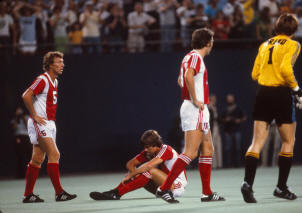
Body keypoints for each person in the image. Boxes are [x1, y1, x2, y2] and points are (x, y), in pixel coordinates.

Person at [241, 13, 302, 203]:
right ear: (294, 29)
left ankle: (247, 184)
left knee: (256, 142)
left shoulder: (265, 44)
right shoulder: (294, 45)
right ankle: (281, 187)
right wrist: (297, 90)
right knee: (288, 141)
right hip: (280, 94)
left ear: (277, 27)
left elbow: (255, 74)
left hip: (262, 93)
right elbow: (286, 69)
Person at [157, 28, 225, 203]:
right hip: (195, 109)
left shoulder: (188, 56)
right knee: (190, 152)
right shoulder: (195, 57)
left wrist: (193, 95)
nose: (213, 43)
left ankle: (207, 193)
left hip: (197, 109)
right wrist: (195, 99)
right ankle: (164, 188)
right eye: (212, 40)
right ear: (208, 42)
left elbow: (180, 80)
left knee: (208, 149)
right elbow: (187, 76)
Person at [21, 51, 77, 203]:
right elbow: (26, 95)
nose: (62, 65)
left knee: (38, 158)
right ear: (50, 65)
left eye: (62, 62)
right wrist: (34, 115)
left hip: (49, 123)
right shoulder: (43, 79)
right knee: (55, 154)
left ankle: (28, 195)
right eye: (58, 62)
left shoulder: (55, 81)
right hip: (41, 122)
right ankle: (59, 193)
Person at [89, 130, 187, 200]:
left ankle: (116, 193)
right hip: (162, 186)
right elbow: (130, 164)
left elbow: (149, 166)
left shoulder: (166, 149)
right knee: (139, 172)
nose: (145, 150)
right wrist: (133, 174)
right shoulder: (150, 151)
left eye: (147, 147)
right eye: (145, 147)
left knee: (149, 170)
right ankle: (114, 192)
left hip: (176, 186)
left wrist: (131, 175)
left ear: (155, 145)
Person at [221, 94, 246, 168]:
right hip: (228, 132)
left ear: (233, 99)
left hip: (237, 130)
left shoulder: (238, 108)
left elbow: (244, 117)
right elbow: (221, 119)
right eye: (228, 99)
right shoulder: (225, 109)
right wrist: (226, 120)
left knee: (238, 148)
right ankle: (229, 165)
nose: (230, 100)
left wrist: (239, 120)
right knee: (228, 148)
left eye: (231, 98)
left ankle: (238, 164)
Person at [11, 106, 32, 179]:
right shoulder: (14, 119)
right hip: (19, 137)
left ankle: (30, 173)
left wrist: (23, 117)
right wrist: (17, 117)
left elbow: (28, 127)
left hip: (26, 137)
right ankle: (20, 175)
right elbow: (14, 128)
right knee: (20, 156)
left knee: (29, 155)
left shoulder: (26, 117)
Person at [208, 95, 223, 169]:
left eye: (215, 99)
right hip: (211, 130)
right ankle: (213, 165)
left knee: (218, 146)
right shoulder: (207, 108)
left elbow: (219, 119)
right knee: (212, 147)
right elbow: (210, 119)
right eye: (213, 99)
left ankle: (219, 165)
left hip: (217, 129)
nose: (214, 101)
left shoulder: (216, 108)